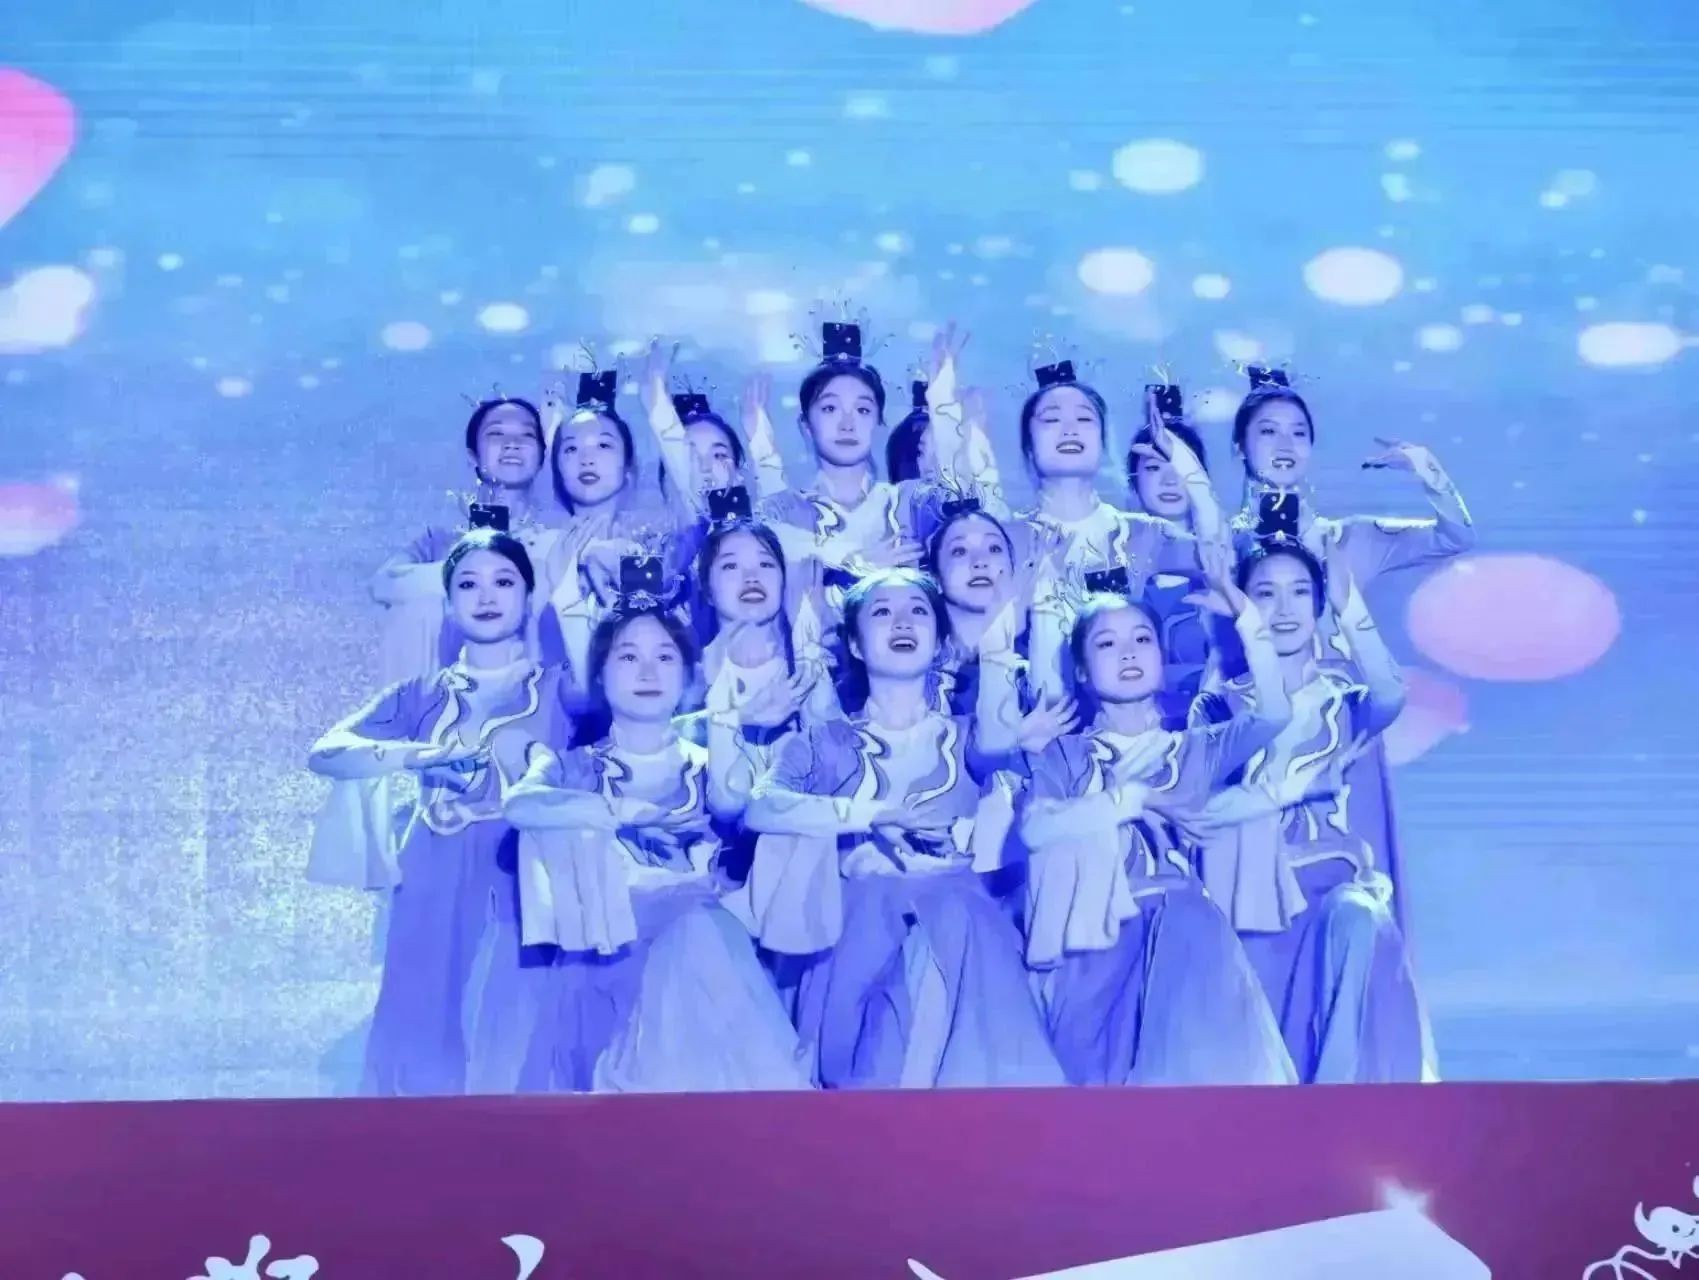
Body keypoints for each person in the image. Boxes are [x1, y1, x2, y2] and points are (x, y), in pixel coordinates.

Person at [738, 569, 1065, 1088]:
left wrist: (1005, 634)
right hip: (861, 928)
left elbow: (1001, 744)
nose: (902, 623)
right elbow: (760, 807)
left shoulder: (967, 737)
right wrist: (868, 816)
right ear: (855, 644)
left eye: (917, 611)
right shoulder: (825, 741)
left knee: (951, 912)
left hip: (961, 928)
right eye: (882, 613)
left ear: (939, 643)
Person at [502, 602, 812, 1092]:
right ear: (600, 675)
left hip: (704, 954)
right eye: (628, 657)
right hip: (605, 954)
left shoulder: (712, 762)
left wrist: (728, 719)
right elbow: (520, 805)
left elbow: (734, 804)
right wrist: (621, 812)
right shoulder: (570, 768)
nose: (648, 672)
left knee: (696, 931)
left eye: (665, 657)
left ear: (688, 676)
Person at [1017, 545, 1296, 1086]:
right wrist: (1133, 800)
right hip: (1094, 938)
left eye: (1142, 639)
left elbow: (1273, 712)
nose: (1128, 653)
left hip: (1184, 935)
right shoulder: (1065, 755)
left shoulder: (1194, 749)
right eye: (1107, 643)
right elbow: (1036, 828)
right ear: (1081, 669)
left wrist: (1248, 619)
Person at [307, 530, 573, 1095]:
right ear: (449, 604)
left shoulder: (561, 690)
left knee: (510, 1021)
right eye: (468, 584)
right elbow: (327, 752)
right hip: (431, 868)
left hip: (520, 876)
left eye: (504, 582)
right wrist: (418, 757)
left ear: (528, 597)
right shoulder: (420, 694)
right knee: (420, 1014)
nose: (487, 596)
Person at [1191, 540, 1431, 1083]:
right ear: (1241, 603)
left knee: (1362, 921)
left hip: (1331, 884)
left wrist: (1350, 602)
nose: (1284, 608)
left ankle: (1341, 1099)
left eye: (1300, 592)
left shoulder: (1345, 701)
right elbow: (1202, 808)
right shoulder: (1219, 706)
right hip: (1253, 893)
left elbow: (1390, 694)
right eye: (1265, 593)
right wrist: (1294, 788)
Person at [368, 397, 558, 685]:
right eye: (497, 434)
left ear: (542, 456)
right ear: (473, 456)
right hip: (441, 683)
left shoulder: (555, 541)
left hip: (530, 685)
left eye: (527, 435)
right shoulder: (440, 541)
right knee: (418, 609)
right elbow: (384, 583)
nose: (512, 444)